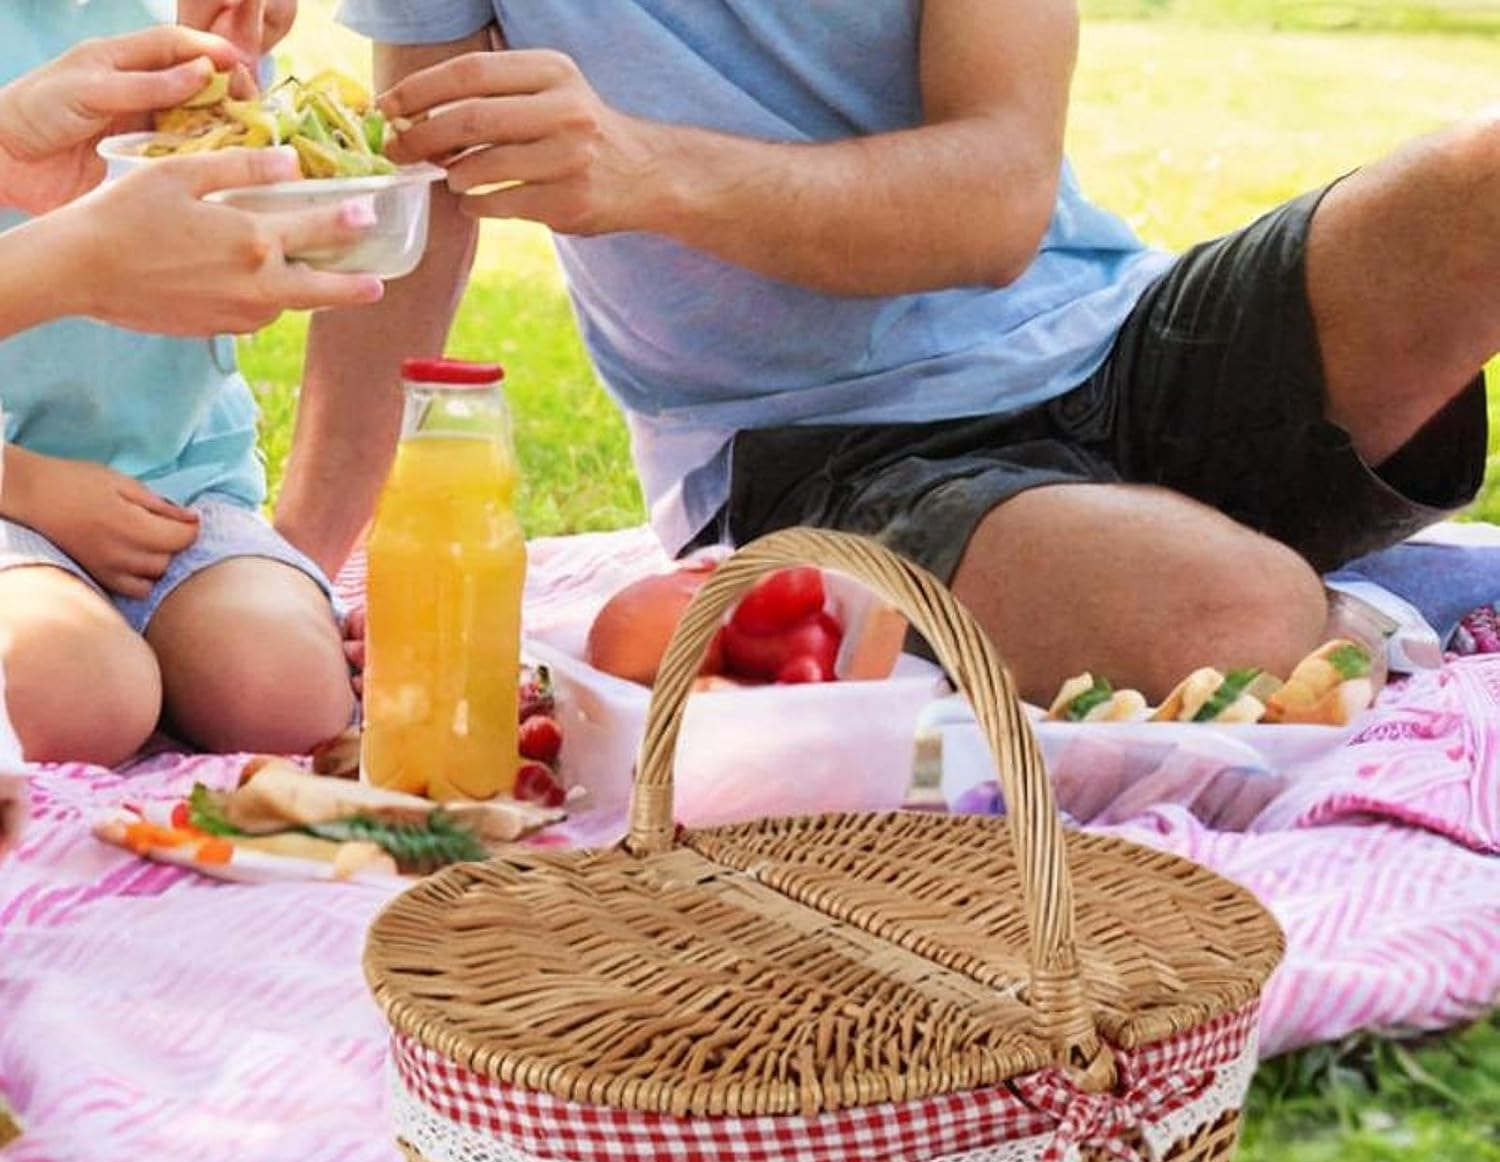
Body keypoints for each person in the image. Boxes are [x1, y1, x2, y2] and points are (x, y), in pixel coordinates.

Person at [278, 1, 1489, 707]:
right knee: (1244, 616)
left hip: (1116, 339)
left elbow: (996, 203)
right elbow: (414, 206)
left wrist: (653, 172)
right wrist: (299, 559)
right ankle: (1209, 576)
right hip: (819, 458)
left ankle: (1122, 565)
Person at [0, 3, 376, 767]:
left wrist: (243, 79)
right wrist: (22, 484)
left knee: (289, 693)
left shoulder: (160, 24)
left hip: (177, 485)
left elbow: (218, 269)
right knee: (81, 693)